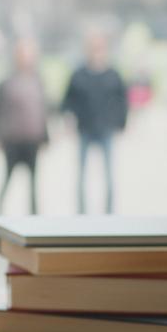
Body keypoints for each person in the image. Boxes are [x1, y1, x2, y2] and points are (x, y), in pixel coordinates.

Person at [61, 31, 128, 214]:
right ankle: (82, 213)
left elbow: (122, 100)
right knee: (82, 176)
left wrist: (121, 123)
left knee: (109, 176)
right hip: (85, 129)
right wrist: (68, 120)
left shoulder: (113, 74)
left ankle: (109, 213)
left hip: (106, 129)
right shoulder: (79, 74)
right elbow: (68, 101)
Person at [0, 39, 48, 214]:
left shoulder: (38, 81)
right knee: (7, 179)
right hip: (12, 140)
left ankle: (34, 217)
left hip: (32, 140)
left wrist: (45, 137)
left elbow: (42, 111)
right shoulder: (6, 83)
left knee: (33, 184)